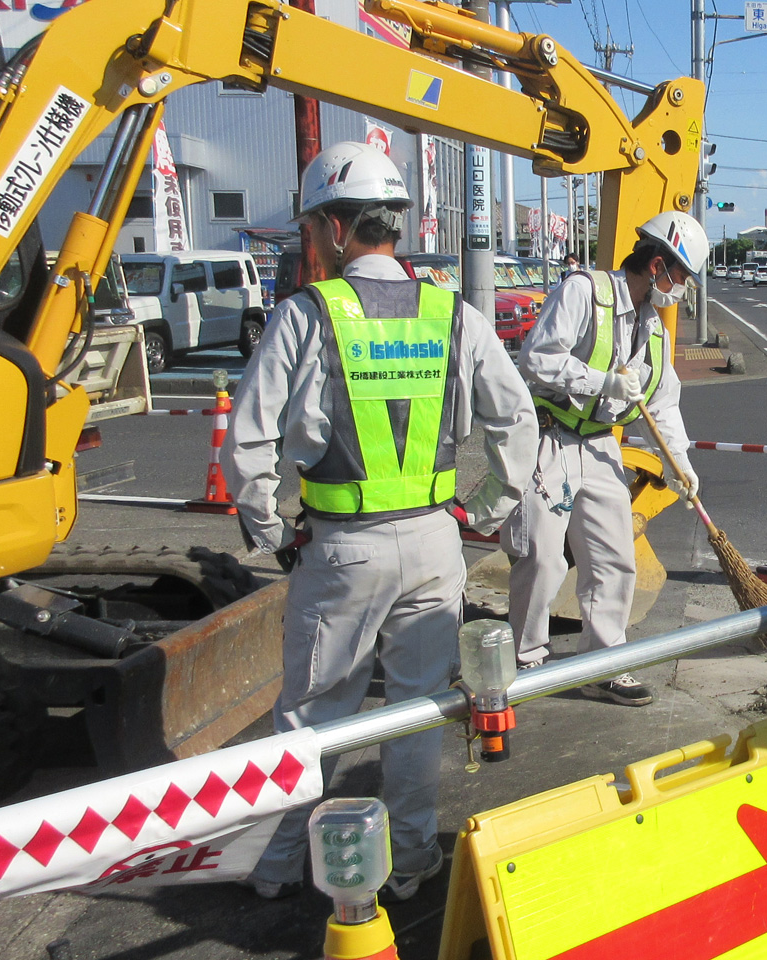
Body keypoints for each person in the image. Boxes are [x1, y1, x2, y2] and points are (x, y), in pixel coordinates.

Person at [223, 141, 537, 903]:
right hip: (436, 542)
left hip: (343, 550)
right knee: (417, 706)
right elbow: (517, 422)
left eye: (313, 227)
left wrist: (271, 529)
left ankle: (277, 865)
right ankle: (412, 856)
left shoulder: (309, 313)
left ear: (334, 228)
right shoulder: (452, 313)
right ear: (391, 222)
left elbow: (249, 438)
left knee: (315, 713)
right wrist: (484, 510)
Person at [504, 211, 708, 705]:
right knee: (541, 555)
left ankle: (605, 662)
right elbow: (537, 358)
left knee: (614, 556)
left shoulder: (654, 331)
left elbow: (663, 405)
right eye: (680, 278)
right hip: (549, 440)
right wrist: (604, 383)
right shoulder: (583, 293)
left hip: (599, 445)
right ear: (658, 265)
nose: (680, 290)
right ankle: (526, 658)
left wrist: (682, 465)